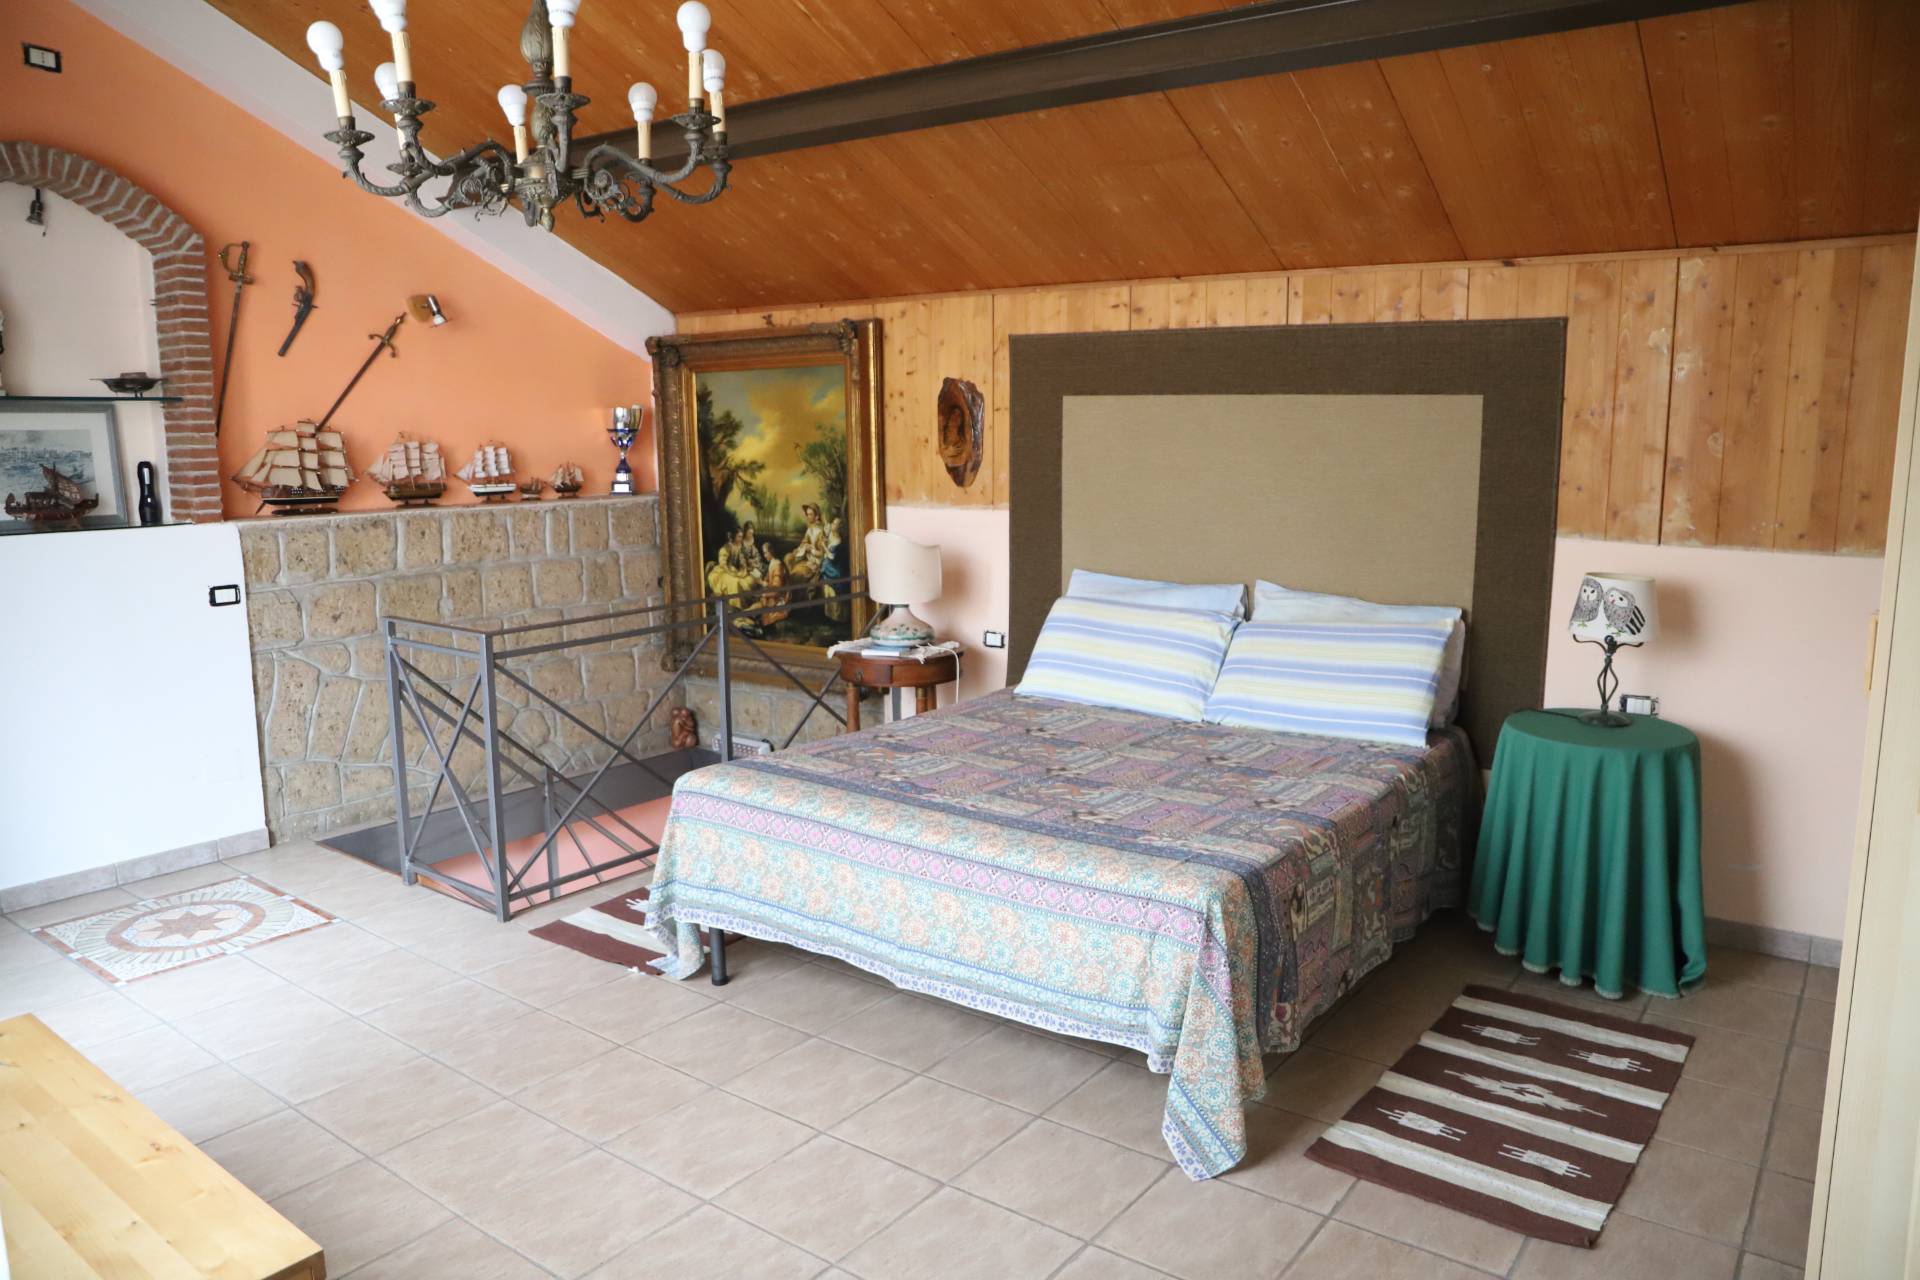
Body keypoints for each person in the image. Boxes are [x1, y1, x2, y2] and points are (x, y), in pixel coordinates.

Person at [820, 516, 846, 622]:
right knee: (827, 591)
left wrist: (824, 546)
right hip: (827, 567)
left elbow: (832, 557)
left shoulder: (839, 540)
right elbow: (825, 526)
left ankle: (836, 616)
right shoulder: (830, 534)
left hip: (834, 569)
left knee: (834, 592)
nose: (833, 525)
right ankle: (829, 615)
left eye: (836, 524)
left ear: (839, 527)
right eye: (833, 523)